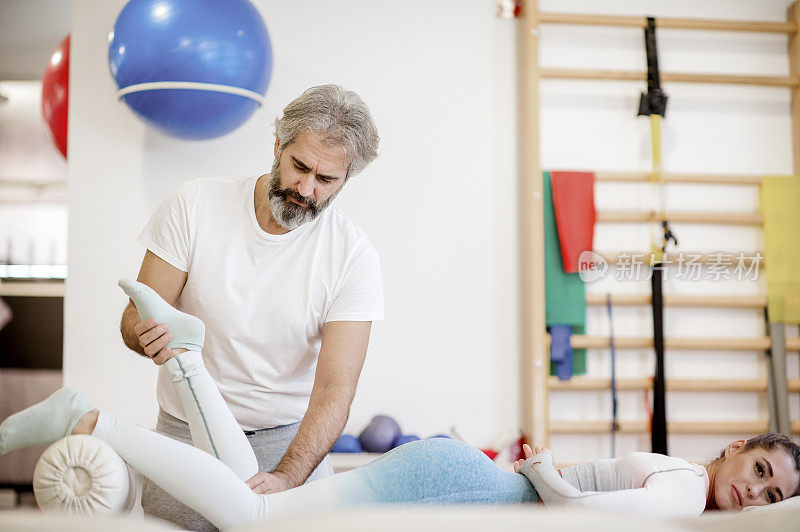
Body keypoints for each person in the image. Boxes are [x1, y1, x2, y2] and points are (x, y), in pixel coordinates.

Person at [2, 281, 799, 530]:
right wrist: (550, 475)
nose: (755, 495)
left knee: (250, 497)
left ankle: (184, 355)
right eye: (763, 469)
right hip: (471, 490)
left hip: (462, 477)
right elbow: (590, 512)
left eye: (772, 497)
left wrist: (550, 476)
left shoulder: (680, 468)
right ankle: (87, 417)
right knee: (252, 524)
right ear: (736, 446)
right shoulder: (689, 497)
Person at [117, 85, 383, 529]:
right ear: (278, 144)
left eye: (326, 180)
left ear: (346, 179)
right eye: (300, 166)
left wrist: (288, 476)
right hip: (186, 440)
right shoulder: (194, 205)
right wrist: (145, 336)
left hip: (291, 446)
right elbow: (133, 318)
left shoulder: (352, 255)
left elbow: (336, 387)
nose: (307, 188)